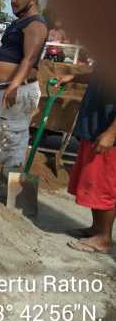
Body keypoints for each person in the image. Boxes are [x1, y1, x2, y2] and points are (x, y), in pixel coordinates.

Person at [0, 0, 48, 199]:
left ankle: (14, 191)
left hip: (19, 90)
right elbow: (4, 52)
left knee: (14, 137)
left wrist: (14, 84)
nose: (13, 1)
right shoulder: (19, 23)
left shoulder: (35, 25)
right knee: (4, 136)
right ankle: (5, 179)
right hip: (8, 88)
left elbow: (29, 59)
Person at [54, 71, 115, 254]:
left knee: (103, 186)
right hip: (96, 128)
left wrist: (111, 134)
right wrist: (73, 77)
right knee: (93, 182)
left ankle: (104, 238)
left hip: (108, 133)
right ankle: (96, 229)